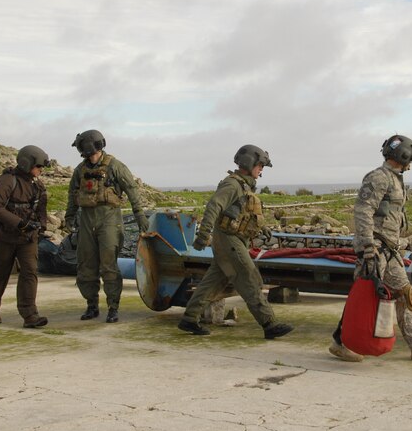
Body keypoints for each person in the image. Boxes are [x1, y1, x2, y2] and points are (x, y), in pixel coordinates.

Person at [329, 135, 412, 362]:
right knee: (362, 297)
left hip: (389, 249)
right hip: (374, 249)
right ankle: (340, 343)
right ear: (403, 156)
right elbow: (363, 210)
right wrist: (367, 247)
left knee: (405, 292)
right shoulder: (378, 178)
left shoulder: (395, 179)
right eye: (411, 158)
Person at [177, 145, 293, 340]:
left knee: (213, 281)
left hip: (233, 239)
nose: (261, 170)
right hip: (228, 240)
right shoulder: (232, 185)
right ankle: (269, 324)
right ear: (250, 163)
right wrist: (203, 235)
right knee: (249, 277)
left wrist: (260, 228)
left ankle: (189, 318)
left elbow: (242, 213)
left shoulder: (244, 186)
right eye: (260, 165)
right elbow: (214, 205)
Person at [65, 130, 149, 323]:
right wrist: (70, 217)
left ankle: (113, 306)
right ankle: (91, 305)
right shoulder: (80, 170)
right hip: (87, 219)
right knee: (86, 264)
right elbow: (73, 194)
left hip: (109, 218)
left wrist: (139, 215)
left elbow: (131, 190)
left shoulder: (115, 167)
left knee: (109, 265)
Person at [0, 145, 51, 328]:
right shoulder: (7, 181)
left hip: (27, 238)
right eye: (38, 167)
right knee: (0, 274)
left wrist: (41, 228)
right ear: (27, 163)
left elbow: (41, 209)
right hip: (5, 237)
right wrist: (19, 223)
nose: (40, 171)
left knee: (30, 272)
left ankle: (30, 315)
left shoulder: (37, 185)